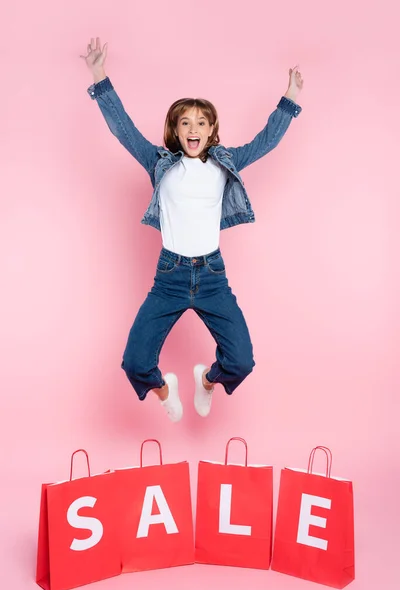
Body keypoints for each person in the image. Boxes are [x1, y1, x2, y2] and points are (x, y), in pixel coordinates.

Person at [81, 37, 303, 422]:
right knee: (134, 362)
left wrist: (290, 97)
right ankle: (166, 391)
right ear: (175, 130)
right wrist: (99, 76)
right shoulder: (158, 163)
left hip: (212, 276)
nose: (193, 128)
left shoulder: (224, 163)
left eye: (201, 122)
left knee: (241, 361)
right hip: (169, 276)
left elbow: (266, 142)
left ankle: (206, 381)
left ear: (212, 128)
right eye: (185, 122)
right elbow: (124, 129)